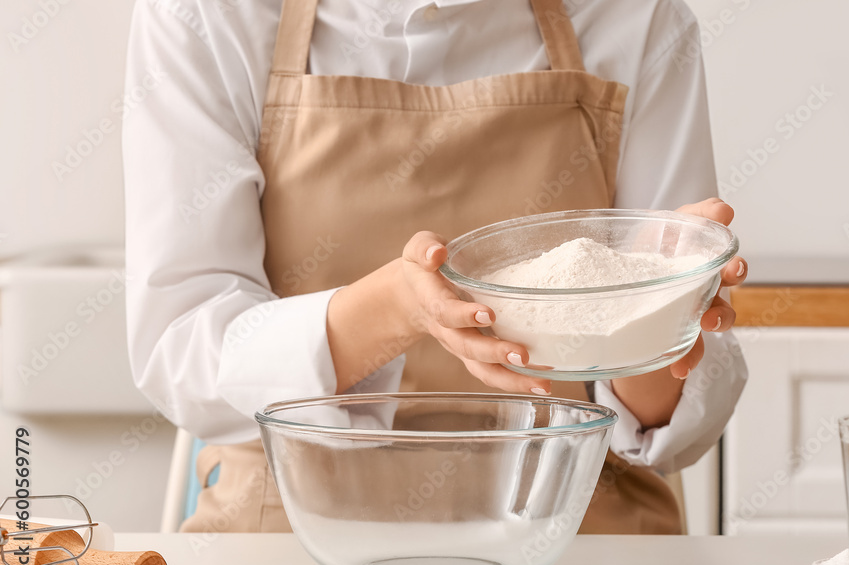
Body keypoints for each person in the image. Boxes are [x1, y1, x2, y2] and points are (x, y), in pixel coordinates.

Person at [123, 0, 748, 534]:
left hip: (579, 538)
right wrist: (395, 310)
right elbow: (183, 349)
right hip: (292, 539)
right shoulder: (208, 16)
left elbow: (676, 422)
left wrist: (662, 322)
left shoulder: (635, 18)